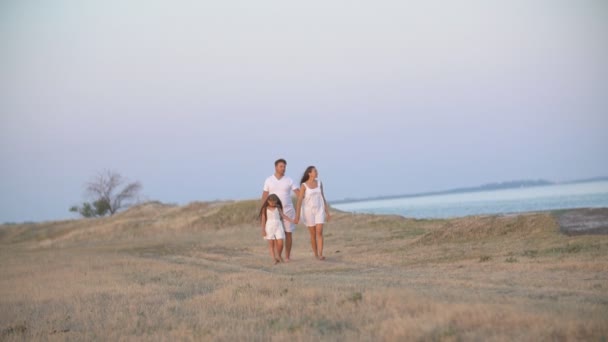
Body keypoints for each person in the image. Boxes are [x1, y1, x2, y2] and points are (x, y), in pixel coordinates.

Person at [261, 159, 300, 261]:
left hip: (288, 210)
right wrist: (263, 210)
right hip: (274, 212)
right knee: (275, 235)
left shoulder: (289, 180)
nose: (283, 168)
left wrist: (301, 205)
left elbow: (299, 194)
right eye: (281, 166)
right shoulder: (269, 180)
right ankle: (277, 256)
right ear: (276, 167)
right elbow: (265, 195)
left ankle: (287, 257)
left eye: (284, 166)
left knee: (288, 233)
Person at [295, 166, 330, 260]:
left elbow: (323, 197)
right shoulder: (304, 185)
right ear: (309, 173)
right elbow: (299, 201)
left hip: (319, 209)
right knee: (313, 234)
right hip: (308, 211)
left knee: (319, 232)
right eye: (315, 171)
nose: (317, 172)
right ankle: (316, 254)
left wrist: (327, 212)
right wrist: (297, 215)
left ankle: (321, 253)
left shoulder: (319, 183)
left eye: (316, 171)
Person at [259, 194, 293, 264]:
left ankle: (279, 256)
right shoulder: (265, 209)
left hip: (278, 226)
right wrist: (263, 230)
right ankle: (274, 259)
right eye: (271, 202)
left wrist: (292, 220)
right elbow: (263, 220)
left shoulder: (278, 208)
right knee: (271, 244)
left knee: (280, 243)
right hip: (269, 226)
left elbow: (283, 216)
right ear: (268, 201)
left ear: (277, 201)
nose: (273, 204)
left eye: (274, 202)